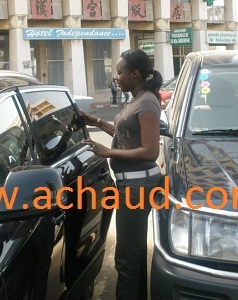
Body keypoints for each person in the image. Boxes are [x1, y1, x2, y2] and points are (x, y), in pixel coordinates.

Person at [81, 48, 163, 300]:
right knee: (133, 256)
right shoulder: (137, 98)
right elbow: (123, 135)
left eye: (120, 72)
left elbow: (150, 151)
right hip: (131, 186)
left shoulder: (147, 102)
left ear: (135, 74)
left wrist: (109, 153)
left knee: (126, 259)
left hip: (138, 187)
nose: (116, 77)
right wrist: (94, 121)